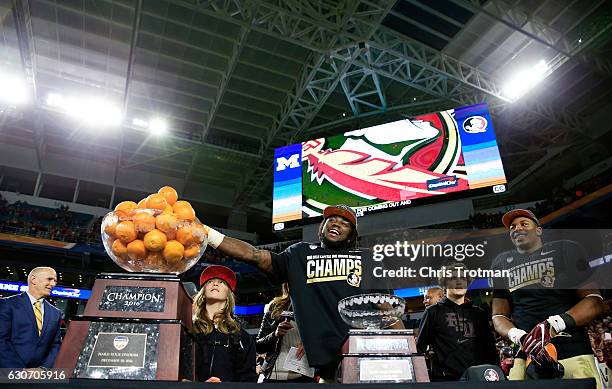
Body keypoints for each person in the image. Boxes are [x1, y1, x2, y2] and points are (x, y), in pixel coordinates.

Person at [202, 204, 399, 380]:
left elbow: (385, 307)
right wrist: (208, 233)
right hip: (325, 364)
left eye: (344, 223)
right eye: (331, 220)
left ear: (353, 234)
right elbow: (253, 254)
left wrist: (409, 351)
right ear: (321, 228)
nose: (336, 224)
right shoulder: (299, 254)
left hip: (362, 353)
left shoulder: (368, 258)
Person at [491, 209, 604, 388]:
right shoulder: (501, 263)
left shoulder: (565, 249)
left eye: (524, 224)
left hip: (570, 348)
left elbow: (594, 300)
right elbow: (498, 315)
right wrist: (517, 335)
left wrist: (555, 324)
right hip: (526, 353)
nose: (517, 228)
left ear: (538, 230)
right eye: (512, 227)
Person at [417, 263, 497, 380]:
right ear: (444, 283)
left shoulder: (479, 313)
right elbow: (419, 349)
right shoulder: (432, 312)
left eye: (463, 278)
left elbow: (490, 351)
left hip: (478, 379)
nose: (459, 282)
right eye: (453, 278)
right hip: (446, 381)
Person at [192, 265, 257, 382]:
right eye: (210, 281)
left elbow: (248, 378)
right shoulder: (189, 329)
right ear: (203, 293)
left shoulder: (243, 337)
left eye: (222, 282)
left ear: (228, 295)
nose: (215, 284)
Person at [0, 267, 62, 368]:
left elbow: (55, 345)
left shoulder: (55, 313)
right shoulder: (8, 304)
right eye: (49, 279)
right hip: (8, 373)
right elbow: (1, 341)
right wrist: (20, 371)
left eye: (55, 281)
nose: (53, 284)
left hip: (38, 377)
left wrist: (43, 369)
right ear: (33, 280)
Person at [256, 283, 313, 382]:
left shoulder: (316, 308)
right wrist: (275, 334)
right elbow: (258, 346)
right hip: (273, 375)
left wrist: (311, 344)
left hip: (302, 376)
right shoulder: (274, 306)